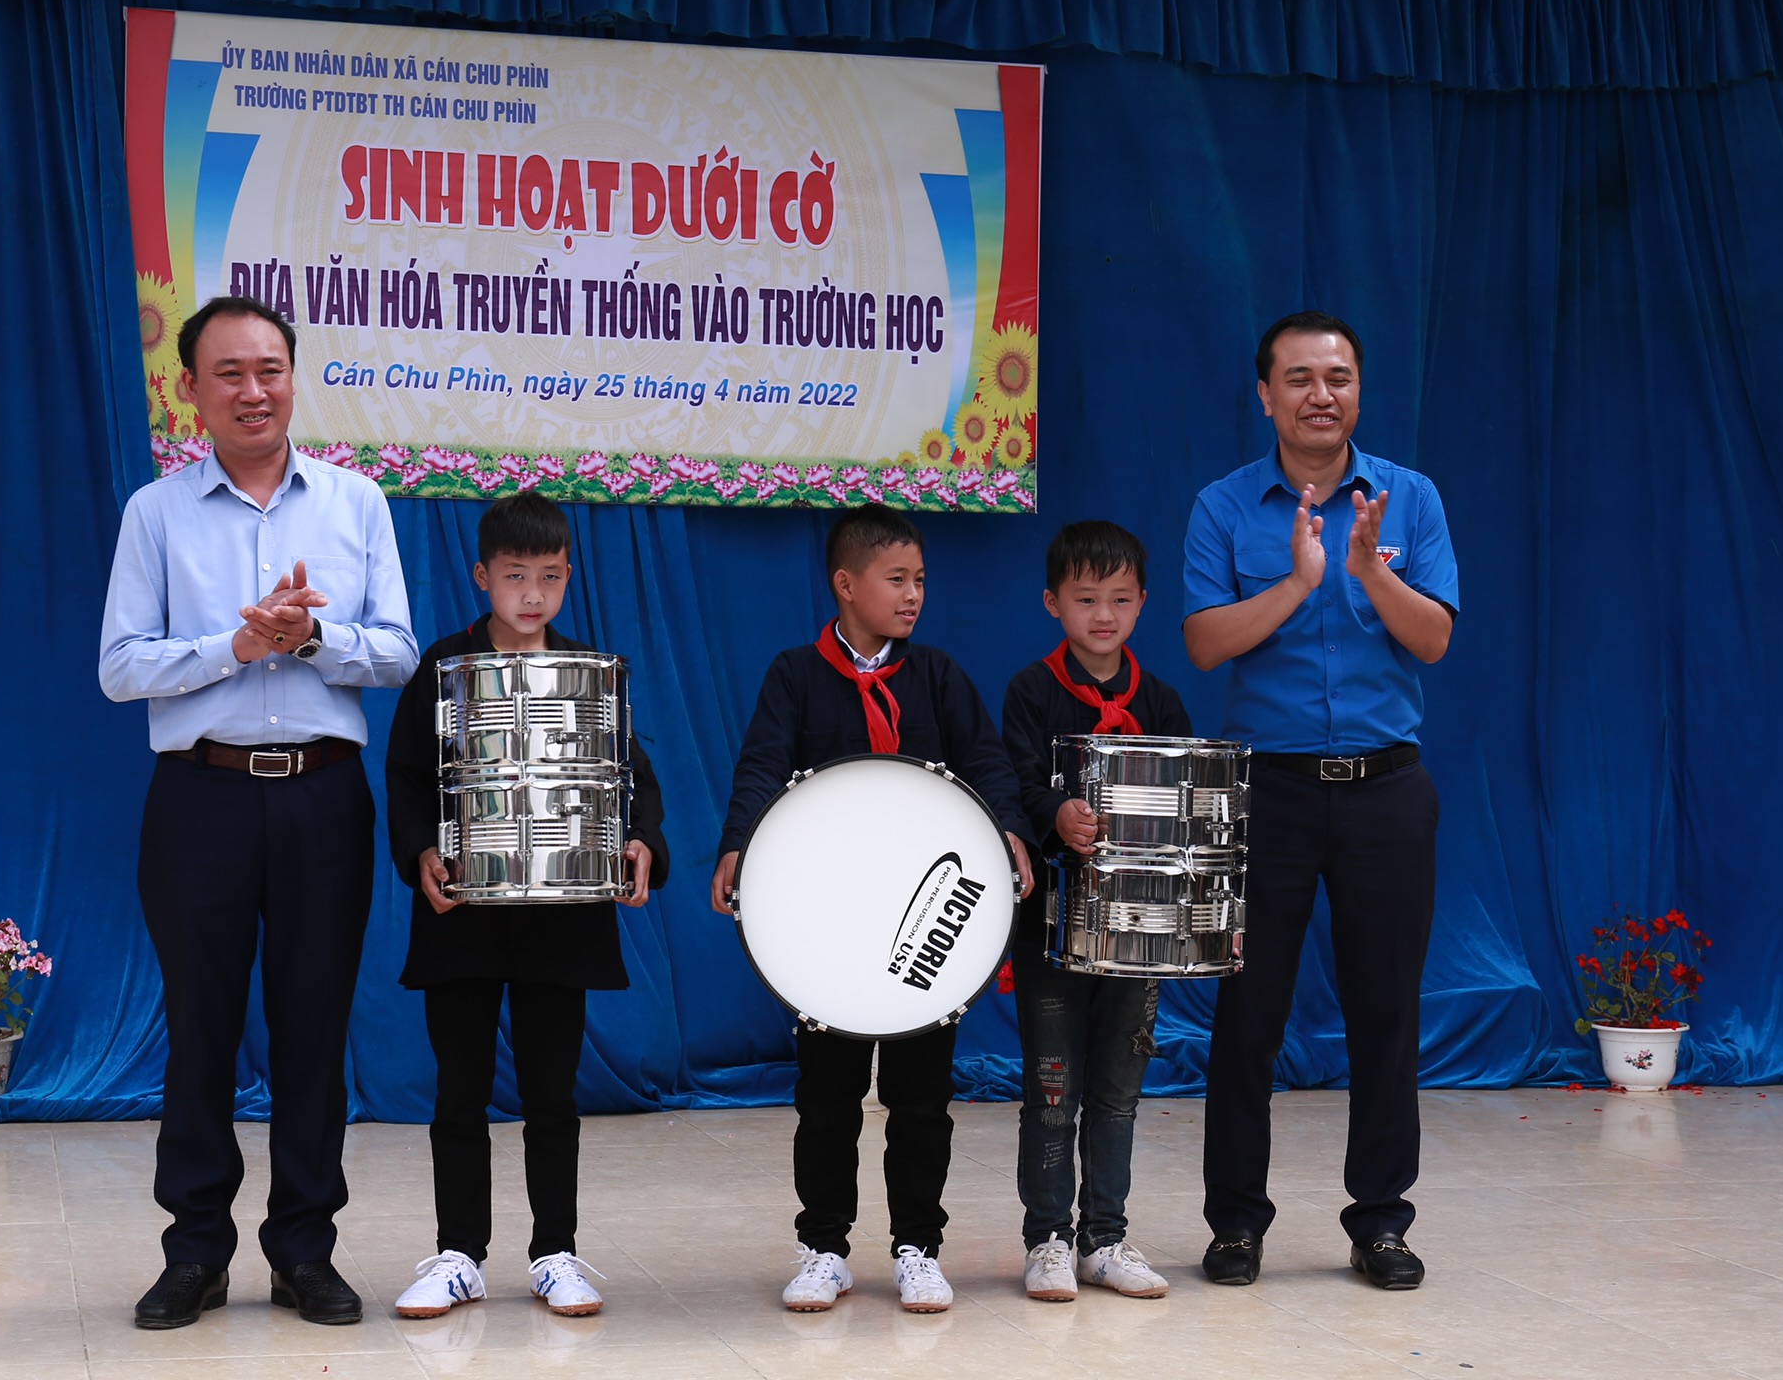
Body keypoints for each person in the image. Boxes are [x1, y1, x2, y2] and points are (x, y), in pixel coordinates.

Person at [99, 294, 420, 1329]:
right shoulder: (155, 514)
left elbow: (398, 652)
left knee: (313, 1030)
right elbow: (119, 668)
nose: (253, 391)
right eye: (229, 373)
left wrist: (310, 642)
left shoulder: (355, 503)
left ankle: (304, 1250)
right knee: (200, 1029)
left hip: (323, 797)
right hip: (200, 798)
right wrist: (233, 648)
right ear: (189, 388)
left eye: (270, 369)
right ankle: (194, 1251)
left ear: (293, 378)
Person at [1182, 310, 1458, 1292]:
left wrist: (1369, 571)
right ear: (1266, 395)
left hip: (1387, 791)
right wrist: (1298, 585)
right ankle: (1236, 1223)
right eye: (1299, 378)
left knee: (1387, 1013)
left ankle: (1380, 1221)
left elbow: (1433, 641)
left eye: (1337, 377)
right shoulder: (1224, 506)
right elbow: (1205, 644)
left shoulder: (1410, 499)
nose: (1320, 394)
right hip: (1270, 794)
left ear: (1358, 390)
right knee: (1247, 1015)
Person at [709, 504, 1033, 1315]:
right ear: (846, 585)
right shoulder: (794, 675)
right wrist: (738, 843)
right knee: (827, 1098)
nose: (914, 594)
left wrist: (1009, 829)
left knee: (922, 1100)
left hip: (927, 928)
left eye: (920, 579)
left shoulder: (939, 677)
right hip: (832, 930)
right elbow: (762, 768)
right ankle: (823, 1247)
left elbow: (988, 764)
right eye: (897, 579)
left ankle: (919, 1246)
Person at [382, 490, 669, 1320]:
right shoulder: (444, 668)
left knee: (552, 1096)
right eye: (515, 576)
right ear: (482, 577)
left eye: (549, 576)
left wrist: (642, 841)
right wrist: (420, 853)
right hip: (463, 917)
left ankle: (556, 1253)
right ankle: (458, 1255)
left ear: (569, 574)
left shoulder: (589, 672)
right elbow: (407, 776)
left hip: (561, 920)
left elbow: (631, 777)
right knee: (458, 1094)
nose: (533, 594)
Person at [997, 520, 1193, 1302]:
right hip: (1052, 926)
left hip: (1137, 932)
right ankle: (1047, 1239)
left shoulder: (1162, 700)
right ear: (1053, 603)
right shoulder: (1030, 692)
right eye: (1085, 599)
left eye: (1120, 598)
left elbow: (1187, 802)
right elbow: (1010, 782)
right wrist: (1057, 813)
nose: (1103, 614)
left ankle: (1104, 1238)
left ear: (1143, 602)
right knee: (1053, 1091)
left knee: (1118, 1092)